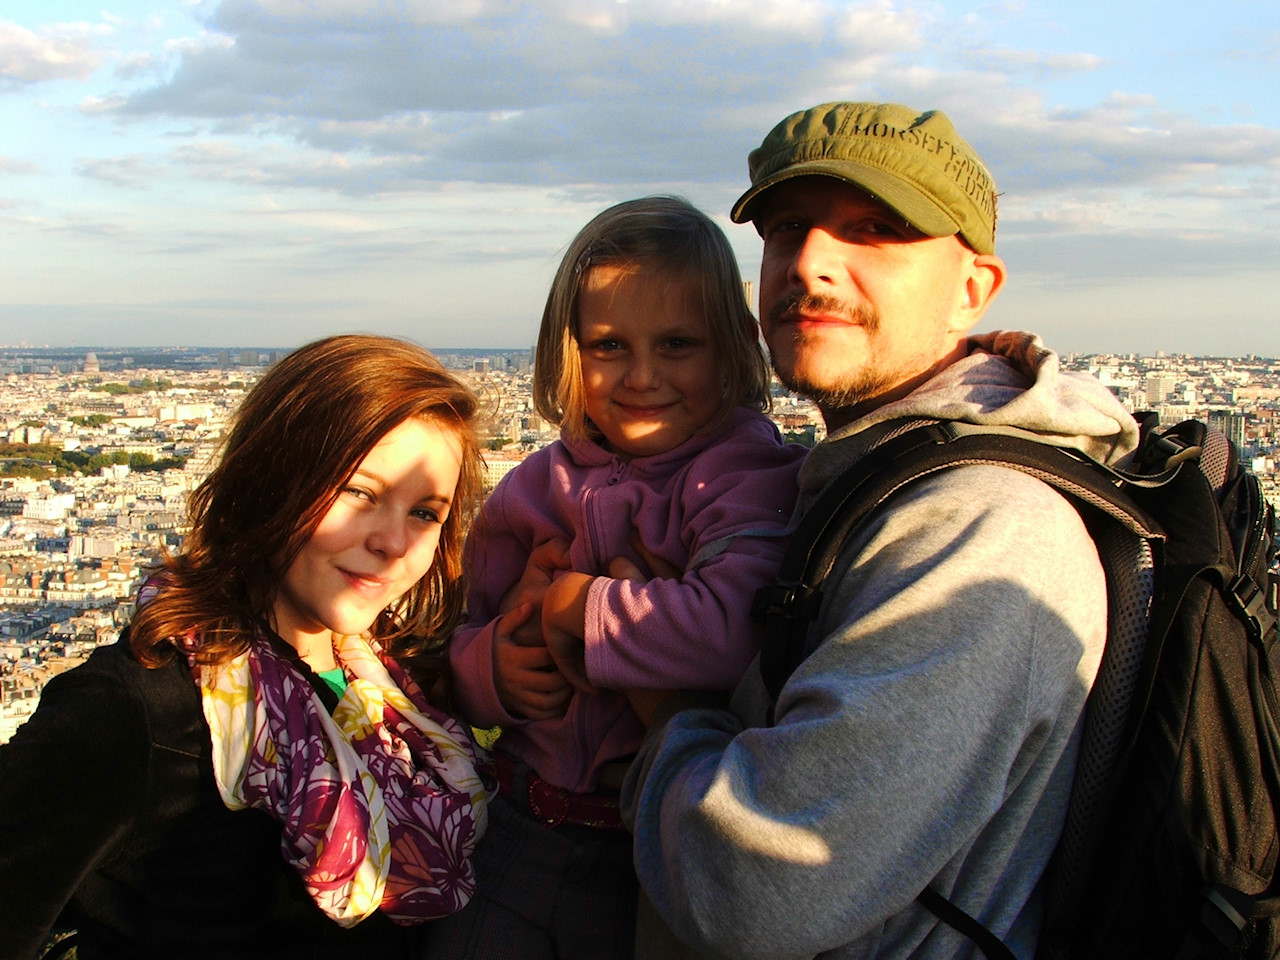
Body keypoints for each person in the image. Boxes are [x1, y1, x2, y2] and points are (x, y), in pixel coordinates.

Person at [620, 102, 1142, 959]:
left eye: (876, 230)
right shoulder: (870, 481)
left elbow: (756, 891)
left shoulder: (983, 527)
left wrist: (662, 707)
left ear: (972, 290)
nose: (810, 263)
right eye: (788, 228)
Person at [0, 335, 490, 960]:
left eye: (425, 513)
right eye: (359, 492)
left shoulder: (401, 692)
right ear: (269, 480)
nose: (394, 542)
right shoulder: (139, 711)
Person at [429, 196, 805, 959]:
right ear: (566, 352)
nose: (642, 376)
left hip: (649, 843)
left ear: (733, 348)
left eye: (677, 344)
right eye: (608, 346)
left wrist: (580, 606)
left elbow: (737, 630)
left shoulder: (748, 474)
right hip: (516, 822)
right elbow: (456, 642)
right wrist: (492, 668)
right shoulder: (535, 486)